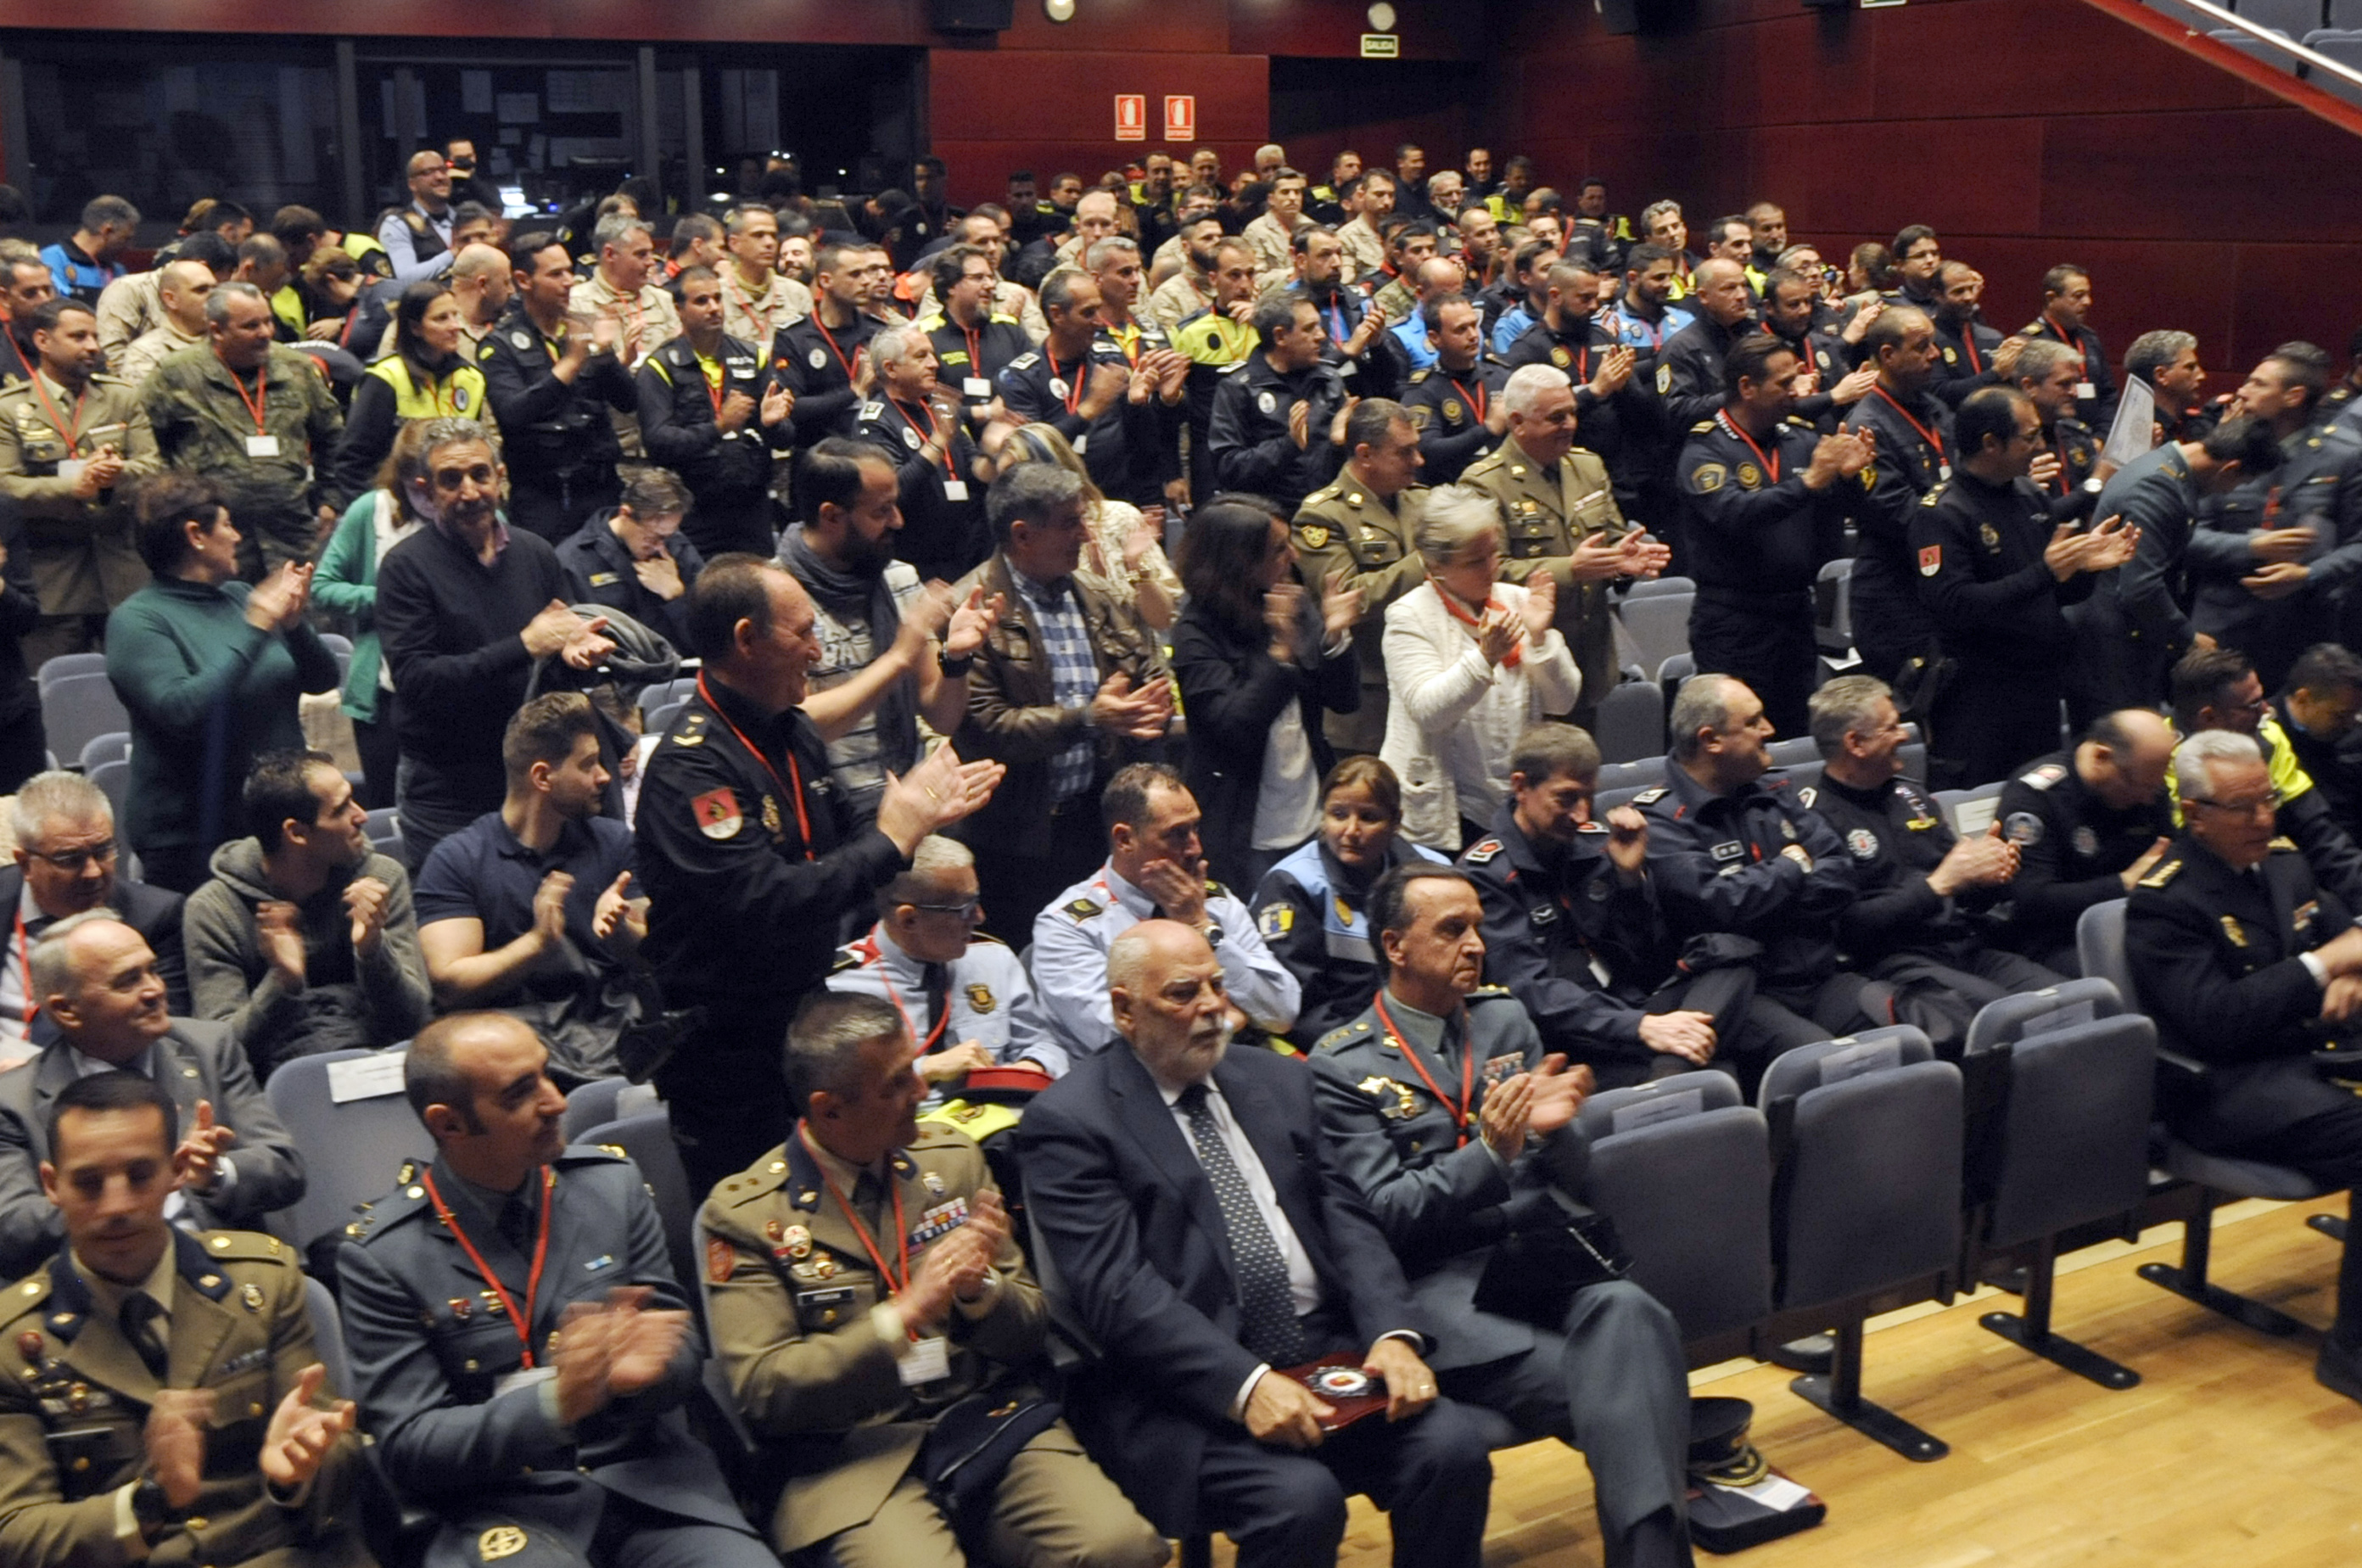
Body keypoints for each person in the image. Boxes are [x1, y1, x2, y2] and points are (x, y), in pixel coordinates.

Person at [1018, 917, 1493, 1568]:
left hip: (1325, 1352)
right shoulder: (1071, 1120)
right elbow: (1118, 1292)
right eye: (1183, 993)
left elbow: (1346, 1220)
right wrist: (1245, 1385)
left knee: (1453, 1451)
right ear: (1125, 1010)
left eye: (1216, 985)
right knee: (1300, 1503)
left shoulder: (1278, 1080)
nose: (1212, 1006)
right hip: (1183, 1387)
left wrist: (1392, 1334)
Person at [1308, 864, 1695, 1567]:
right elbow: (1383, 1215)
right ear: (1395, 946)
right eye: (1452, 930)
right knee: (1635, 1393)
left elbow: (1569, 1173)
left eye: (1479, 928)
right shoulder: (1341, 1066)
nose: (1477, 945)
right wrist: (1491, 1152)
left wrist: (1556, 1131)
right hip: (1439, 1286)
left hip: (1536, 1258)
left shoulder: (1503, 1018)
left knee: (1635, 1313)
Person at [698, 992, 1158, 1566]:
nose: (922, 1091)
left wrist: (978, 1293)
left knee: (1121, 1549)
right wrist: (903, 1316)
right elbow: (764, 1391)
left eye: (915, 1070)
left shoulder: (951, 1161)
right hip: (848, 1461)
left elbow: (1030, 1330)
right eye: (896, 1084)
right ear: (829, 1109)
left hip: (985, 1423)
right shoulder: (746, 1216)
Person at [335, 1012, 772, 1568]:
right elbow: (409, 1446)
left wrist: (649, 1374)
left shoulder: (609, 1186)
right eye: (520, 1093)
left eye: (546, 1074)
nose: (557, 1102)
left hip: (650, 1489)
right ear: (449, 1125)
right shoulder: (383, 1255)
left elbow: (680, 1349)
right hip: (502, 1512)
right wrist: (555, 1403)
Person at [635, 553, 1002, 1196]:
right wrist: (894, 836)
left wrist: (915, 814)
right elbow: (769, 899)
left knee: (839, 1202)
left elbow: (843, 833)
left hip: (802, 1018)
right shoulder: (691, 770)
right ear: (747, 640)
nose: (818, 651)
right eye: (803, 633)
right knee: (758, 1218)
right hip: (727, 1052)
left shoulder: (788, 730)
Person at [0, 1068, 367, 1566]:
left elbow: (337, 1453)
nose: (117, 1205)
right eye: (88, 1183)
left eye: (139, 1176)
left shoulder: (261, 1282)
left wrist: (298, 1473)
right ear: (51, 1184)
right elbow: (16, 1533)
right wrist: (149, 1499)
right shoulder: (16, 1340)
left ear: (177, 1171)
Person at [2125, 729, 2362, 1403]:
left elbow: (2352, 936)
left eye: (2269, 800)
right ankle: (2351, 1353)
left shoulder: (2284, 864)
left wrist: (2352, 972)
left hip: (2311, 1057)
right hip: (2224, 1089)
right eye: (2243, 807)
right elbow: (2218, 1021)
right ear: (2194, 814)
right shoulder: (2164, 900)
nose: (2264, 818)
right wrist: (2322, 966)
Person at [0, 911, 304, 1280]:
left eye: (152, 971)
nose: (155, 990)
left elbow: (284, 1166)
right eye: (128, 981)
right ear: (67, 1010)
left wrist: (214, 1173)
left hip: (224, 1272)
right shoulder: (12, 1100)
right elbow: (11, 1223)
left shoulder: (208, 1048)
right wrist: (124, 1199)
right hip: (91, 1289)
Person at [1460, 723, 1766, 1090]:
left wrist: (1629, 878)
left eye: (1589, 798)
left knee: (1735, 957)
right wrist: (1640, 1027)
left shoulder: (1597, 846)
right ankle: (1672, 1074)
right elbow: (1531, 992)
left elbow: (1651, 958)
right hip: (1570, 1037)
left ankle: (1671, 1069)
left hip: (1632, 1007)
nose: (1582, 815)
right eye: (1566, 798)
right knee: (1720, 1068)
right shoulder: (1483, 876)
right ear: (1521, 786)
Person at [374, 417, 615, 869]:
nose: (469, 492)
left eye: (479, 475)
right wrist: (524, 645)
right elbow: (417, 681)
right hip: (448, 791)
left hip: (535, 783)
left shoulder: (535, 553)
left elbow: (557, 648)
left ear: (500, 477)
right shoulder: (405, 567)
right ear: (427, 490)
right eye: (451, 480)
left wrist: (573, 656)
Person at [949, 462, 1172, 938]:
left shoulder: (1095, 594)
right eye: (1071, 522)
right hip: (1015, 839)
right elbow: (986, 727)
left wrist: (1149, 704)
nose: (1086, 535)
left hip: (1096, 823)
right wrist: (1090, 718)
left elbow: (1147, 667)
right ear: (1023, 535)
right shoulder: (969, 608)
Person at [1799, 676, 2063, 1054]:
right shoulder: (1813, 821)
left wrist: (1991, 874)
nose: (1904, 735)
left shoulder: (1911, 796)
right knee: (2011, 1020)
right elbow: (1847, 929)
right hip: (1897, 963)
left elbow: (1967, 894)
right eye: (1891, 727)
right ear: (1855, 744)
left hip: (1965, 945)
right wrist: (1938, 885)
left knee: (2068, 1003)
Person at [105, 473, 339, 893]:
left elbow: (323, 680)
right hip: (191, 836)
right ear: (196, 534)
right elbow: (183, 712)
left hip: (275, 819)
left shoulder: (238, 596)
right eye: (228, 525)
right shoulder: (138, 620)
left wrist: (294, 624)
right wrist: (255, 628)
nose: (237, 537)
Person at [1634, 675, 1883, 1048]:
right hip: (1748, 993)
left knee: (1907, 1035)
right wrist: (1793, 866)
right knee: (1828, 1062)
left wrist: (1765, 905)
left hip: (1822, 977)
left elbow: (1841, 873)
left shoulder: (1774, 791)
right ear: (1711, 740)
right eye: (1753, 722)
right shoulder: (1660, 820)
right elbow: (1719, 905)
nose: (1769, 730)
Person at [1911, 386, 2138, 788]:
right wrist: (2047, 572)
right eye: (2030, 436)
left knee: (2038, 795)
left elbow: (2057, 592)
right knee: (1980, 801)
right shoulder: (1942, 512)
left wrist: (2084, 567)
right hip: (1978, 694)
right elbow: (1953, 605)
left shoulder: (2029, 494)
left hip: (2039, 685)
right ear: (1991, 444)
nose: (2040, 446)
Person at [415, 693, 643, 1082]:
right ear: (542, 777)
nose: (604, 776)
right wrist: (537, 943)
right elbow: (450, 984)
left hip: (619, 1035)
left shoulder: (614, 841)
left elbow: (655, 955)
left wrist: (621, 929)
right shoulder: (457, 860)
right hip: (514, 1056)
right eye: (588, 764)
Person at [776, 437, 997, 823]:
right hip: (821, 815)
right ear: (832, 516)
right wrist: (899, 657)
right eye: (882, 510)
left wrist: (956, 657)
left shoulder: (899, 579)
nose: (898, 521)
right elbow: (795, 724)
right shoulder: (775, 595)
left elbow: (942, 718)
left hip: (903, 798)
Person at [183, 747, 429, 1072]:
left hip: (381, 1064)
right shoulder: (213, 911)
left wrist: (372, 952)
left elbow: (416, 1018)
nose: (362, 816)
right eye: (341, 809)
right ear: (297, 833)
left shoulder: (379, 878)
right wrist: (283, 981)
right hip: (275, 1079)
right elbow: (222, 1050)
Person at [1033, 763, 1301, 1057]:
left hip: (1239, 1065)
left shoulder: (1213, 902)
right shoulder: (1068, 926)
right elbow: (1122, 1039)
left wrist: (1200, 926)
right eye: (1177, 834)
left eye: (1196, 828)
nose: (1196, 848)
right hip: (1130, 1081)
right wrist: (1230, 1022)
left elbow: (1282, 1012)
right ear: (1125, 839)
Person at [1678, 333, 1872, 736]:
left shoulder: (1800, 437)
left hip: (1796, 614)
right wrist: (1810, 482)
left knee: (1796, 731)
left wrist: (1849, 478)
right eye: (1784, 383)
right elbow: (1734, 513)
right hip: (1733, 621)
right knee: (1738, 738)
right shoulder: (1705, 448)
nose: (1797, 391)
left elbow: (1836, 510)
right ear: (1747, 387)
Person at [1172, 499, 1363, 890]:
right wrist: (1279, 653)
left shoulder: (1292, 601)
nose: (1294, 556)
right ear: (1239, 561)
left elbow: (1345, 700)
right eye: (1278, 549)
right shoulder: (1195, 632)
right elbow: (1233, 729)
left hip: (1311, 816)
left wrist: (1335, 636)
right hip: (1242, 829)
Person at [1462, 364, 1664, 729]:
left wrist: (1622, 562)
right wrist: (1570, 569)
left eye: (1572, 412)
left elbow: (1612, 539)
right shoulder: (1484, 484)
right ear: (1518, 422)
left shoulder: (1588, 466)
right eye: (1557, 417)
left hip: (1588, 656)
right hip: (1524, 659)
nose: (1570, 424)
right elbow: (1488, 574)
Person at [1383, 485, 1581, 850]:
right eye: (1475, 562)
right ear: (1435, 565)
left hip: (1517, 799)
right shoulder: (1409, 616)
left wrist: (1540, 638)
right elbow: (1429, 713)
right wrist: (1485, 658)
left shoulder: (1518, 600)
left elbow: (1563, 701)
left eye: (1494, 554)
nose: (1492, 568)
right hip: (1450, 808)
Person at [2076, 415, 2285, 720]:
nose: (2230, 492)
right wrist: (2189, 638)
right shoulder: (2158, 489)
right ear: (2230, 468)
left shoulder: (2169, 469)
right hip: (2116, 643)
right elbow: (2140, 588)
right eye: (2240, 483)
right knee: (2124, 736)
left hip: (2129, 635)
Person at [144, 281, 344, 579]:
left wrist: (330, 499)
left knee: (297, 604)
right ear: (217, 330)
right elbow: (148, 444)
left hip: (290, 532)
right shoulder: (176, 375)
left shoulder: (296, 368)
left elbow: (332, 436)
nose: (265, 332)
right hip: (212, 540)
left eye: (268, 321)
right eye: (251, 326)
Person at [0, 297, 159, 665]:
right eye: (78, 336)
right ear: (43, 340)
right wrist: (72, 488)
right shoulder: (9, 408)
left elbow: (153, 466)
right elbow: (4, 485)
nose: (92, 346)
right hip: (53, 577)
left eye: (95, 337)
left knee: (140, 678)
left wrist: (117, 473)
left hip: (124, 574)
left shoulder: (121, 396)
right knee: (56, 685)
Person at [829, 835, 1066, 1083]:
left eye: (976, 901)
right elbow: (841, 1089)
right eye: (963, 909)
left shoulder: (993, 959)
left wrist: (1032, 1065)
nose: (980, 917)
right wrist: (923, 1070)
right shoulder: (842, 986)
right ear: (909, 919)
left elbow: (1045, 1045)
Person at [2191, 347, 2362, 687]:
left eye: (2258, 384)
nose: (2243, 391)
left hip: (2303, 630)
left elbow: (2358, 543)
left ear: (2293, 396)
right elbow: (2188, 535)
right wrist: (2253, 547)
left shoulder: (2344, 456)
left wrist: (2308, 574)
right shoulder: (2225, 446)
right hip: (2221, 626)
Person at [1252, 757, 1447, 1046]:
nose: (1351, 831)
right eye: (1338, 814)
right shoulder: (1293, 883)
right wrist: (1366, 1051)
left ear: (1396, 821)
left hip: (1426, 1027)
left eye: (1368, 817)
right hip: (1339, 1041)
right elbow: (1301, 1006)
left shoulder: (1435, 875)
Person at [0, 772, 187, 1061]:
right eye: (70, 859)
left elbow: (167, 1034)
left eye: (102, 851)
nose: (93, 872)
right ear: (25, 864)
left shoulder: (155, 916)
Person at [479, 229, 639, 542]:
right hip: (544, 497)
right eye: (556, 274)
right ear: (524, 280)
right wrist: (572, 362)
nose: (569, 281)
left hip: (601, 487)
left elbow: (628, 401)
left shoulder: (583, 327)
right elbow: (513, 413)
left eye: (569, 271)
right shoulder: (500, 344)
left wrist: (606, 354)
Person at [1991, 708, 2178, 972]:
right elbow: (2032, 900)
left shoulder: (2144, 777)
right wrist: (2123, 884)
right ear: (2101, 757)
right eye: (2141, 786)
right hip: (2060, 939)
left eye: (2155, 787)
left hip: (2143, 921)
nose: (2149, 799)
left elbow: (2173, 851)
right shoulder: (2034, 797)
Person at [1291, 400, 1430, 755]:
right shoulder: (1322, 516)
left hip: (1432, 676)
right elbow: (1349, 599)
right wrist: (1428, 561)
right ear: (1365, 454)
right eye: (1405, 452)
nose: (1419, 460)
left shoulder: (1423, 501)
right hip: (1370, 694)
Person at [315, 420, 434, 809]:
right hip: (384, 695)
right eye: (417, 484)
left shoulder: (476, 513)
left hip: (453, 690)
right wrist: (388, 599)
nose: (428, 495)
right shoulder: (371, 511)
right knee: (388, 807)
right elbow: (323, 586)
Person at [638, 264, 792, 561]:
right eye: (701, 301)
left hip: (750, 506)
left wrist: (772, 424)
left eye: (718, 298)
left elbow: (786, 438)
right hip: (691, 509)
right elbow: (657, 442)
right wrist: (719, 427)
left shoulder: (753, 357)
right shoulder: (660, 366)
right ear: (679, 309)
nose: (714, 308)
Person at [995, 266, 1178, 514]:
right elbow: (1031, 453)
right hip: (1052, 511)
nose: (1099, 321)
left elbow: (1141, 444)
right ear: (1057, 314)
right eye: (1088, 313)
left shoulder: (1111, 359)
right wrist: (1091, 408)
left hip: (1117, 501)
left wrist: (1146, 402)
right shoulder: (1022, 377)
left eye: (1098, 309)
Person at [1840, 305, 1951, 684]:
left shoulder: (1934, 409)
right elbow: (1897, 513)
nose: (1935, 354)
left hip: (1936, 584)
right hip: (1894, 600)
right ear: (1888, 355)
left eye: (1933, 344)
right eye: (1922, 346)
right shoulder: (1865, 427)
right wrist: (1968, 521)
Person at [992, 421, 1180, 630]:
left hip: (1132, 646)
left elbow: (1163, 620)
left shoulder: (1119, 518)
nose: (1007, 491)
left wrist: (1135, 567)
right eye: (1002, 478)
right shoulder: (1017, 540)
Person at [329, 279, 494, 508]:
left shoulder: (471, 378)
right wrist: (377, 513)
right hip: (397, 505)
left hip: (455, 505)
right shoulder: (386, 377)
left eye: (455, 316)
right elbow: (353, 461)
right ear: (415, 328)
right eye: (441, 318)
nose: (455, 326)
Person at [855, 323, 992, 582]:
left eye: (932, 354)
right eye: (921, 356)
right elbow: (893, 491)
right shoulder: (875, 421)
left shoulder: (940, 408)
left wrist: (994, 457)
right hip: (916, 559)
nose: (934, 364)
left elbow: (973, 469)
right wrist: (938, 441)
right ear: (891, 369)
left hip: (964, 550)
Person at [1210, 294, 1354, 516]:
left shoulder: (1329, 380)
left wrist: (1340, 444)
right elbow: (1228, 468)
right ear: (1280, 336)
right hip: (1268, 518)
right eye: (1309, 329)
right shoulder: (1238, 388)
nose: (1321, 336)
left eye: (1319, 326)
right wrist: (1287, 446)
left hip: (1327, 513)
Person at [557, 464, 706, 651]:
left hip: (683, 662)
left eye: (667, 536)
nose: (660, 547)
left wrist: (676, 596)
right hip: (615, 666)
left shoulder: (678, 548)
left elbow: (711, 640)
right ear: (625, 514)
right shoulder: (573, 560)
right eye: (653, 537)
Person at [776, 238, 888, 445]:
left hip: (875, 448)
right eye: (855, 274)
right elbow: (792, 408)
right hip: (819, 452)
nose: (866, 281)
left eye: (867, 273)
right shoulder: (794, 337)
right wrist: (854, 392)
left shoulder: (879, 333)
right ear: (826, 281)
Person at [568, 214, 681, 389]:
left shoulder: (663, 299)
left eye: (651, 253)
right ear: (610, 254)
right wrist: (622, 359)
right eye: (641, 254)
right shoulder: (576, 303)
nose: (651, 262)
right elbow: (577, 375)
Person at [2277, 642, 2362, 839]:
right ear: (2303, 698)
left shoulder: (2349, 736)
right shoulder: (2266, 741)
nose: (2350, 724)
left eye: (2355, 715)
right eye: (2340, 715)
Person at [2021, 264, 2115, 434]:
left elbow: (2108, 394)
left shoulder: (2090, 338)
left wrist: (2102, 437)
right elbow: (2024, 399)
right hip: (2052, 438)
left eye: (2088, 295)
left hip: (2093, 438)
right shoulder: (2029, 341)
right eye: (2078, 296)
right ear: (2051, 298)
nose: (2087, 302)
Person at [115, 258, 214, 389]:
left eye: (215, 289)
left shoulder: (227, 340)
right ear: (171, 299)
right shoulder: (145, 353)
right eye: (201, 290)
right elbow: (144, 401)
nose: (214, 296)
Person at [39, 194, 138, 305]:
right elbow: (56, 305)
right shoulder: (52, 259)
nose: (130, 247)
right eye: (126, 239)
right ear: (107, 231)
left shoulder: (118, 271)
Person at [379, 149, 456, 284]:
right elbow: (406, 278)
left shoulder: (464, 218)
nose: (440, 177)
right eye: (428, 172)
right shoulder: (398, 224)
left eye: (443, 170)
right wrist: (453, 253)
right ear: (412, 184)